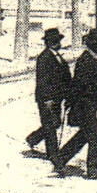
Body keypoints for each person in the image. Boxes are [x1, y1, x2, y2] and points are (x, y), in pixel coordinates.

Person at [53, 28, 97, 179]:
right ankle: (93, 170)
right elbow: (78, 85)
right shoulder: (87, 61)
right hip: (85, 107)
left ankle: (60, 159)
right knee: (96, 138)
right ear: (93, 45)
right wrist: (71, 101)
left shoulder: (87, 59)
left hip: (86, 106)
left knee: (84, 136)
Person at [24, 27, 71, 158]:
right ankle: (53, 154)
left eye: (58, 40)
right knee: (50, 125)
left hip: (56, 98)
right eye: (55, 41)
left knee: (54, 123)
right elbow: (43, 81)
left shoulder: (57, 57)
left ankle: (33, 139)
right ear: (49, 43)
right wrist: (47, 99)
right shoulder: (44, 58)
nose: (58, 43)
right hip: (47, 99)